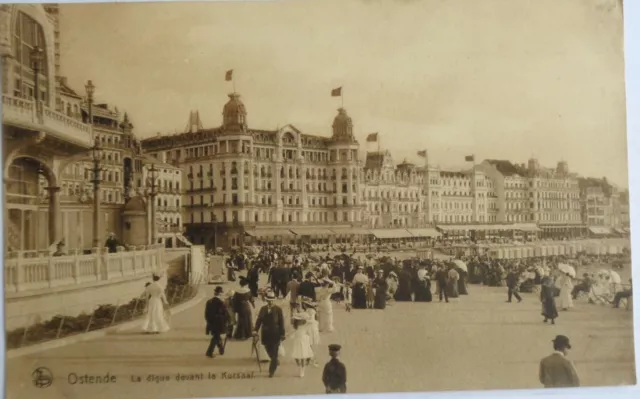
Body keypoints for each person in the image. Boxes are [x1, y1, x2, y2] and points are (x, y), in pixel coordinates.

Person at [254, 291, 286, 378]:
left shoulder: (278, 309)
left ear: (274, 300)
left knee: (274, 353)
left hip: (276, 333)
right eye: (269, 300)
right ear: (266, 300)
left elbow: (281, 322)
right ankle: (274, 360)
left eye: (272, 300)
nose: (270, 302)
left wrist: (282, 334)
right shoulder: (263, 309)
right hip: (265, 333)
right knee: (268, 350)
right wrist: (255, 330)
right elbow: (259, 320)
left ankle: (271, 371)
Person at [205, 286, 228, 358]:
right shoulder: (221, 303)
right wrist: (227, 321)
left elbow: (206, 313)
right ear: (220, 293)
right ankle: (209, 352)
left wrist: (208, 321)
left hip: (211, 322)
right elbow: (225, 313)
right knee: (215, 337)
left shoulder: (209, 301)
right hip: (219, 322)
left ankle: (221, 349)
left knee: (216, 336)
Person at [289, 312, 313, 378]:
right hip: (297, 342)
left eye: (300, 320)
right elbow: (293, 334)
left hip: (304, 341)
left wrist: (306, 317)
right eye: (298, 320)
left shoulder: (306, 326)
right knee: (296, 356)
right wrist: (291, 336)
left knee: (303, 356)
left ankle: (302, 370)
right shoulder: (296, 327)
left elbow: (311, 322)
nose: (299, 322)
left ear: (303, 321)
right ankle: (300, 366)